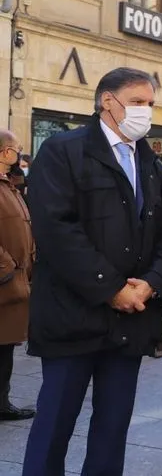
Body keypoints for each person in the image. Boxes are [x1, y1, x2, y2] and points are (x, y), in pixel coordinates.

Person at [22, 67, 162, 475]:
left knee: (112, 429)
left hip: (131, 321)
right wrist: (112, 289)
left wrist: (150, 285)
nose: (145, 111)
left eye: (150, 104)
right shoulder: (63, 150)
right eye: (137, 102)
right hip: (72, 317)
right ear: (107, 102)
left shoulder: (152, 165)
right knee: (54, 425)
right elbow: (56, 230)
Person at [0, 130, 35, 421]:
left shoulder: (10, 185)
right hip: (5, 280)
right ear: (4, 153)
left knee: (6, 344)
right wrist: (6, 268)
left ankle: (2, 401)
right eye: (17, 150)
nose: (19, 156)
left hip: (15, 281)